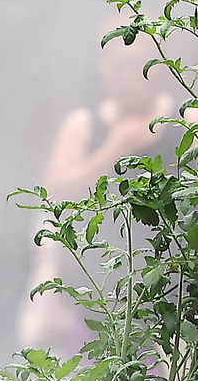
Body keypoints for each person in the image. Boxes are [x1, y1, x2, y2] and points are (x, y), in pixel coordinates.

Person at [16, 27, 174, 354]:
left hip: (174, 294)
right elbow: (52, 197)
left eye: (136, 64)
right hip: (91, 295)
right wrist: (112, 151)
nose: (127, 76)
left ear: (156, 66)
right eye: (117, 65)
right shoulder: (84, 124)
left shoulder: (189, 120)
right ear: (103, 69)